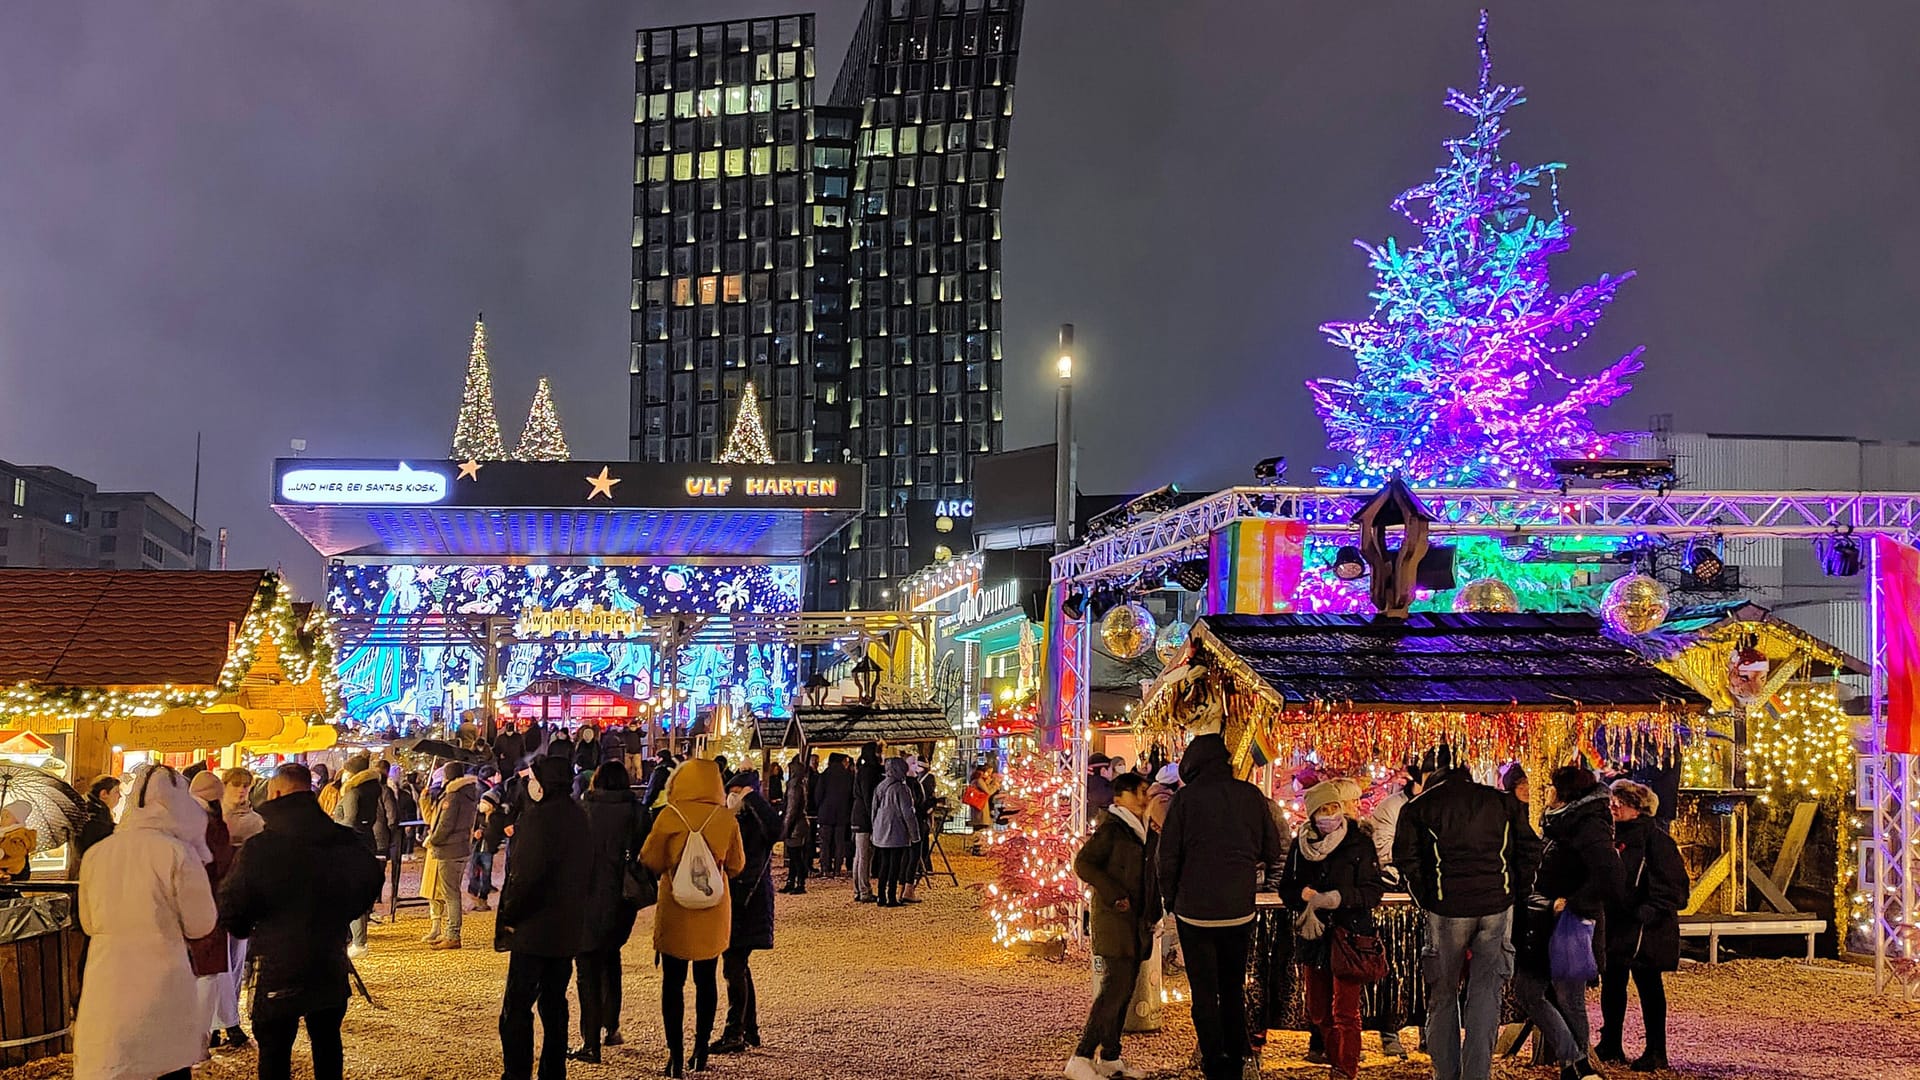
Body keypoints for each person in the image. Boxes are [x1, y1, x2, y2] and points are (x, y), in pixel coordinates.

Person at [220, 763, 384, 1080]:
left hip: (278, 964)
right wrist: (343, 914)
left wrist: (249, 927)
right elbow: (370, 879)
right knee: (327, 1042)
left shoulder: (261, 848)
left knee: (275, 1050)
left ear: (275, 794)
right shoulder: (342, 840)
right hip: (328, 958)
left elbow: (233, 910)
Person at [1394, 749, 1541, 1080]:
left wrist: (1428, 898)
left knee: (1443, 994)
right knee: (1486, 995)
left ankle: (1447, 1073)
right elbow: (1530, 850)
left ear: (1429, 774)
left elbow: (1406, 860)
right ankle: (1477, 1073)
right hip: (1496, 906)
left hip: (1447, 908)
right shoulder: (1501, 802)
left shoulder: (1419, 807)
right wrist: (1514, 893)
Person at [73, 765, 219, 1080]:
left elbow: (88, 922)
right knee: (164, 1063)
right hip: (161, 979)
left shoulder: (97, 854)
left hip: (107, 978)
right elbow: (201, 923)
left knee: (113, 1059)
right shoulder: (178, 853)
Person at [1157, 732, 1287, 1080]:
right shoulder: (1250, 795)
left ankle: (1214, 1061)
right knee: (1232, 987)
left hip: (1194, 910)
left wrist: (1170, 899)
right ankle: (1239, 1055)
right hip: (1238, 908)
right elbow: (1272, 849)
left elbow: (1167, 857)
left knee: (1203, 991)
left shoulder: (1185, 800)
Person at [641, 758, 747, 1078]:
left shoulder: (669, 815)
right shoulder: (725, 818)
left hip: (676, 908)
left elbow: (651, 859)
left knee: (672, 984)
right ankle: (701, 1050)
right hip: (712, 910)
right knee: (706, 980)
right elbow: (737, 865)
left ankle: (675, 1057)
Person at [1517, 765, 1622, 1080]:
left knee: (1566, 997)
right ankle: (1576, 1061)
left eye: (1550, 786)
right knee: (1530, 991)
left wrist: (1574, 903)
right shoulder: (1558, 823)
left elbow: (1611, 876)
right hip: (1543, 920)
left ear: (1563, 793)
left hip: (1568, 923)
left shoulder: (1587, 826)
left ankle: (1576, 1065)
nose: (1545, 792)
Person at [1282, 779, 1384, 1080]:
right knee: (1318, 1010)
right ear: (1312, 814)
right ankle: (1335, 1058)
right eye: (1323, 810)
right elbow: (1287, 887)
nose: (1329, 815)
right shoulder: (1301, 846)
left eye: (1333, 808)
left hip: (1349, 935)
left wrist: (1339, 898)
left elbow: (1372, 891)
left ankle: (1345, 1069)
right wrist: (1300, 895)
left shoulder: (1359, 842)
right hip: (1315, 936)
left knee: (1346, 1011)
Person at [497, 755, 591, 1080]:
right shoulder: (579, 816)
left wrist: (510, 914)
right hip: (566, 927)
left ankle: (517, 1072)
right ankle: (553, 1071)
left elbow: (526, 877)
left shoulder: (537, 820)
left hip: (534, 929)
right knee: (554, 1002)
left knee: (517, 1006)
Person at [1065, 771, 1159, 1080]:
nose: (1144, 798)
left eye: (1146, 791)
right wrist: (1115, 894)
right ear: (1120, 797)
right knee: (1113, 991)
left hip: (1138, 924)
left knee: (1124, 990)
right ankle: (1081, 1055)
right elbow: (1083, 863)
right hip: (1114, 922)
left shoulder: (1145, 831)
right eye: (1138, 792)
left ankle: (1110, 1056)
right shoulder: (1112, 829)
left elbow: (1152, 875)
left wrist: (1154, 912)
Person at [1596, 779, 1686, 1073]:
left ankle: (1656, 1050)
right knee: (1612, 983)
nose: (1614, 806)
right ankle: (1611, 1041)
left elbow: (1674, 886)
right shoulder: (1609, 837)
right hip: (1617, 923)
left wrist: (1650, 909)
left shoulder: (1657, 841)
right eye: (1613, 800)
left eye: (1622, 802)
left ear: (1638, 808)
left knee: (1648, 986)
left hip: (1646, 929)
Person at [570, 760, 646, 1064]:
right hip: (621, 896)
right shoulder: (637, 812)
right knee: (611, 958)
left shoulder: (582, 810)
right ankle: (611, 1026)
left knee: (586, 966)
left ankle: (590, 1041)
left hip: (585, 896)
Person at [1360, 763, 1425, 1060]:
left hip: (1427, 897)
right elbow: (1382, 848)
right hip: (1394, 898)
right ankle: (1390, 1031)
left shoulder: (1441, 804)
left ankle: (1428, 1031)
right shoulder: (1390, 807)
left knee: (1427, 968)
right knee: (1393, 967)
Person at [713, 768, 779, 1055]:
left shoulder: (755, 820)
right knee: (737, 964)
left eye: (736, 793)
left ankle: (735, 1032)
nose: (731, 798)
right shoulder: (733, 820)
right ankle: (747, 1028)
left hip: (748, 900)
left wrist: (752, 798)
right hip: (738, 898)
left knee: (734, 964)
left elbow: (776, 830)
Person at [187, 770, 245, 1052]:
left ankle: (217, 1028)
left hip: (193, 902)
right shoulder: (212, 823)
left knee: (208, 970)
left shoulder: (185, 819)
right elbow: (219, 862)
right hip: (212, 901)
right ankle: (212, 1031)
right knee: (214, 970)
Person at [333, 752, 391, 957]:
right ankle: (358, 940)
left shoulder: (353, 792)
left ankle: (358, 942)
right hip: (367, 842)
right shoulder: (372, 789)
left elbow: (349, 821)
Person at [423, 761, 481, 949]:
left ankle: (452, 934)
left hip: (449, 849)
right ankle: (451, 932)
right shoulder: (469, 794)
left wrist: (433, 840)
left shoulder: (453, 796)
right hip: (462, 847)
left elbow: (445, 824)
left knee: (451, 894)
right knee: (452, 891)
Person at [869, 757, 923, 908]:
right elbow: (908, 814)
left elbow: (874, 809)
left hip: (880, 830)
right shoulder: (901, 789)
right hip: (896, 831)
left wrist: (874, 828)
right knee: (895, 865)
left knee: (884, 864)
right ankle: (891, 897)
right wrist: (914, 835)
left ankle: (881, 896)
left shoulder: (881, 786)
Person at [470, 785, 512, 912]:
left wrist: (484, 833)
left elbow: (495, 834)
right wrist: (474, 834)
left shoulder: (497, 818)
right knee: (473, 872)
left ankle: (483, 898)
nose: (482, 804)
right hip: (476, 848)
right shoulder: (478, 816)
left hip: (488, 850)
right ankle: (474, 894)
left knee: (486, 874)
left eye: (485, 802)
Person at [814, 752, 855, 876]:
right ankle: (837, 868)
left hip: (825, 814)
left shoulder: (825, 775)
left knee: (825, 843)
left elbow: (818, 795)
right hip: (842, 814)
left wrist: (820, 807)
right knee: (839, 843)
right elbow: (851, 796)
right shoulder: (848, 776)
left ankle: (825, 868)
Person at [850, 743, 882, 901]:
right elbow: (869, 797)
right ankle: (864, 890)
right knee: (864, 855)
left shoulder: (861, 770)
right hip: (865, 817)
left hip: (858, 815)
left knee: (859, 854)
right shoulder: (869, 772)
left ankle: (858, 889)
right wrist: (873, 818)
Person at [779, 754, 814, 894]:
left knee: (795, 856)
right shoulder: (800, 784)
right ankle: (793, 881)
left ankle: (799, 883)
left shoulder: (794, 785)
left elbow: (791, 809)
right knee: (795, 855)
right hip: (799, 824)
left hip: (795, 826)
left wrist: (786, 828)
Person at [76, 776, 120, 863]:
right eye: (116, 792)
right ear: (104, 794)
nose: (120, 796)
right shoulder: (95, 817)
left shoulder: (92, 811)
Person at [222, 768, 266, 846]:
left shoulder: (256, 821)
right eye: (236, 785)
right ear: (224, 786)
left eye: (245, 786)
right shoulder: (211, 814)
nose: (241, 790)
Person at [1086, 752, 1116, 824]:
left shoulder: (1081, 786)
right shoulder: (1108, 792)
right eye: (1111, 769)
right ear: (1103, 771)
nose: (1113, 772)